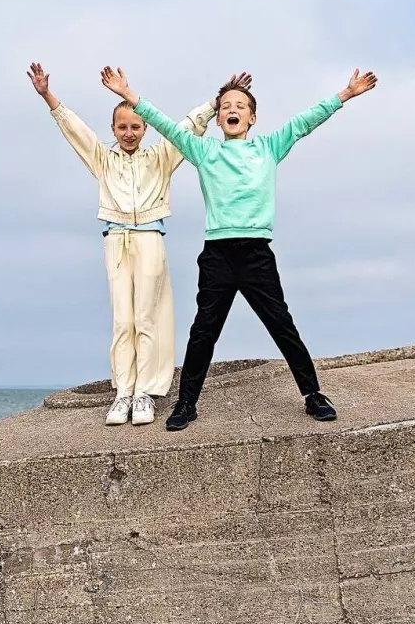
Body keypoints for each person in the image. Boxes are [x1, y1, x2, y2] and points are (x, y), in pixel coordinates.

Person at [99, 64, 378, 430]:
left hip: (256, 254)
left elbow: (305, 121)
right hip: (217, 254)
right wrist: (128, 96)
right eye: (226, 105)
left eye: (240, 106)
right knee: (203, 331)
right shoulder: (204, 151)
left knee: (281, 325)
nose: (233, 109)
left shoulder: (269, 147)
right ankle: (186, 403)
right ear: (219, 118)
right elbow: (166, 124)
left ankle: (313, 395)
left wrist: (346, 94)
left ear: (252, 117)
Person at [27, 62, 251, 426]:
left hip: (149, 236)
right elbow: (75, 131)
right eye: (122, 127)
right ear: (113, 130)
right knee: (123, 319)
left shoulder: (160, 157)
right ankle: (123, 393)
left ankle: (145, 392)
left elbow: (186, 128)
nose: (129, 133)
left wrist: (217, 102)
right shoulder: (103, 158)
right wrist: (48, 97)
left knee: (148, 316)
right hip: (116, 239)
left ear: (145, 128)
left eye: (135, 126)